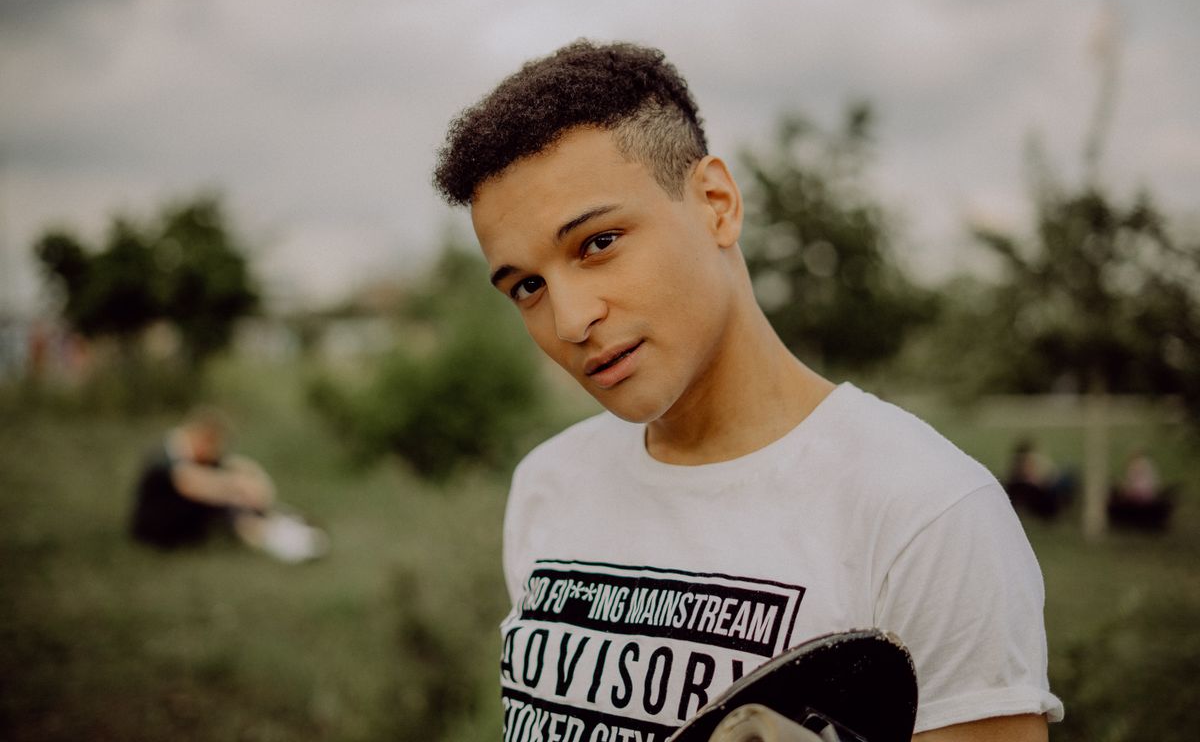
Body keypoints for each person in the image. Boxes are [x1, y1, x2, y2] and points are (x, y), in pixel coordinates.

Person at [434, 41, 1062, 740]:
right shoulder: (547, 485)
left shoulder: (926, 512)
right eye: (527, 286)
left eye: (598, 242)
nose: (569, 320)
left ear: (717, 203)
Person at [130, 406, 328, 563]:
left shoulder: (193, 452)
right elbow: (190, 484)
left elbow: (234, 465)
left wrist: (253, 480)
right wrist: (237, 490)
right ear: (203, 438)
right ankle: (279, 539)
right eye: (214, 446)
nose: (216, 454)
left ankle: (284, 527)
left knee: (232, 499)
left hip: (186, 523)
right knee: (228, 504)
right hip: (158, 532)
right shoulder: (166, 455)